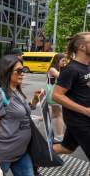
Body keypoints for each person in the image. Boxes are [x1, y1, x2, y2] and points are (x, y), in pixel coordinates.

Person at [0, 55, 41, 176]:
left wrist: (34, 101)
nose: (22, 73)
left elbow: (21, 112)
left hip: (21, 150)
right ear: (6, 71)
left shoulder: (16, 89)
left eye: (23, 70)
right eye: (19, 71)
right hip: (3, 153)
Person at [52, 32, 90, 160]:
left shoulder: (87, 66)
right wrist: (85, 110)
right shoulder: (71, 69)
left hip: (84, 119)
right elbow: (57, 96)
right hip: (80, 121)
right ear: (82, 47)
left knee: (66, 148)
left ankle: (32, 158)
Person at [47, 53, 66, 141]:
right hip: (53, 92)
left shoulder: (58, 69)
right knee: (58, 114)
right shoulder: (52, 69)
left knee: (56, 113)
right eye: (62, 61)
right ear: (57, 60)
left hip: (55, 92)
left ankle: (55, 133)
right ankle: (59, 136)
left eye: (65, 61)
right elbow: (62, 77)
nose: (64, 62)